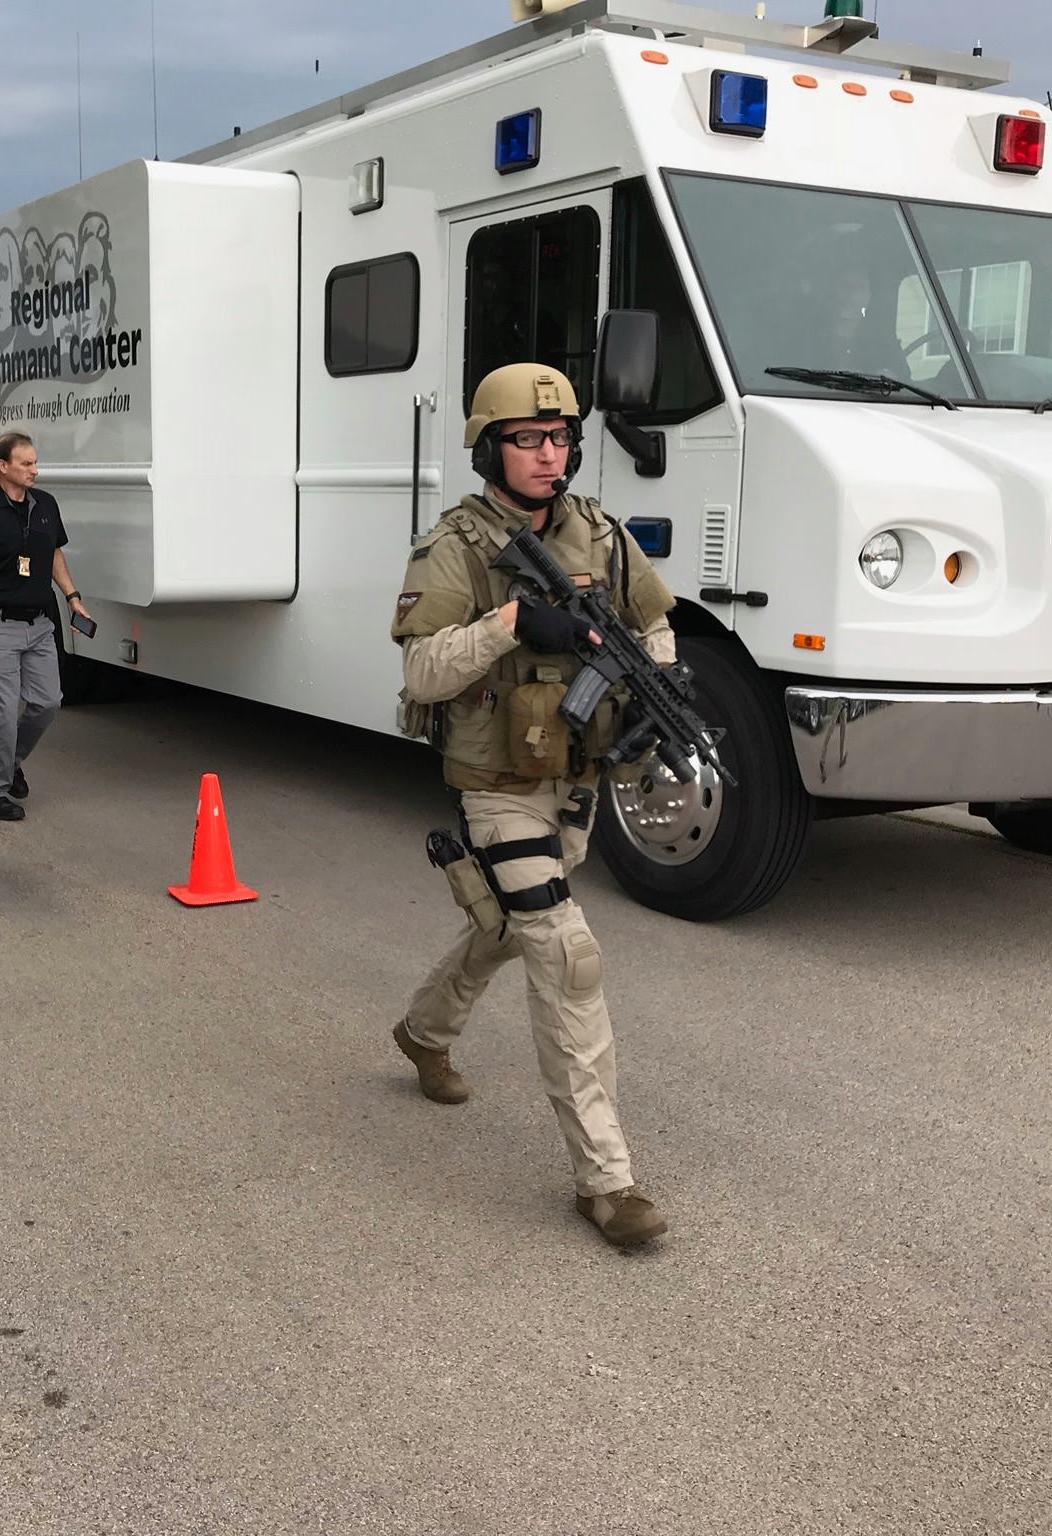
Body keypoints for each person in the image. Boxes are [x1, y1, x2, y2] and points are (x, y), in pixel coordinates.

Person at [387, 364, 680, 1251]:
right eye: (527, 440)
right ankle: (608, 1182)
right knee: (565, 950)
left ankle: (422, 1031)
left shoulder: (602, 534)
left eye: (558, 439)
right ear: (490, 448)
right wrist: (512, 625)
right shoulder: (458, 545)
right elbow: (422, 670)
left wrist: (659, 681)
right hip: (497, 782)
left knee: (506, 928)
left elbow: (655, 625)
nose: (548, 455)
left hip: (576, 774)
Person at [0, 431, 92, 821]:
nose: (35, 469)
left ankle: (10, 761)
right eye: (26, 463)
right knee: (3, 710)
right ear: (3, 467)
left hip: (40, 623)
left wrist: (72, 596)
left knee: (48, 702)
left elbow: (54, 554)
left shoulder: (45, 505)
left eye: (35, 462)